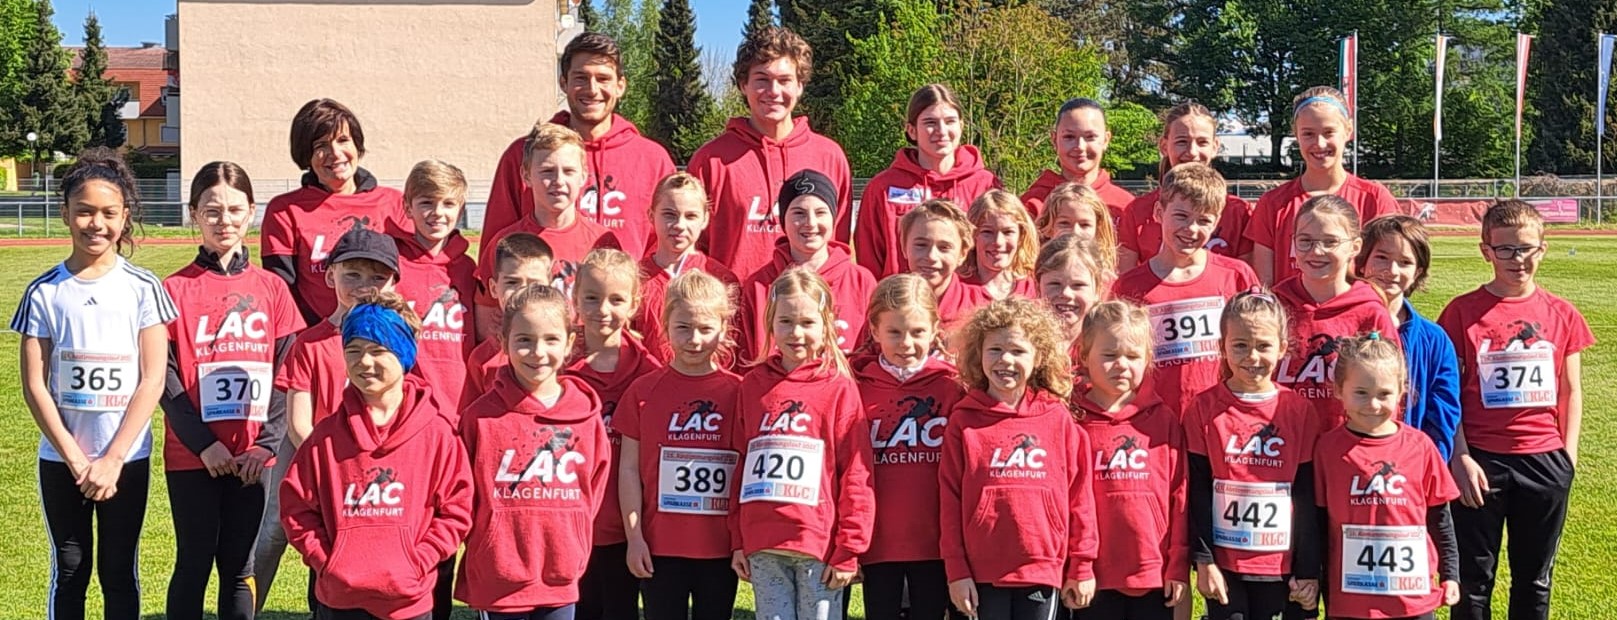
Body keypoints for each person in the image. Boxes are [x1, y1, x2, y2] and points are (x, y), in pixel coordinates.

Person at [15, 148, 176, 620]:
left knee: (118, 571)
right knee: (70, 569)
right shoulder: (44, 292)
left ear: (125, 217)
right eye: (84, 211)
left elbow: (152, 378)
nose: (96, 223)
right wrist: (76, 458)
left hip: (126, 458)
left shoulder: (143, 288)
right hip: (63, 460)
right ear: (65, 213)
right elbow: (35, 385)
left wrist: (112, 458)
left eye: (109, 213)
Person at [161, 162, 303, 620]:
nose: (225, 220)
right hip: (192, 456)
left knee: (240, 567)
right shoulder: (173, 290)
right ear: (194, 214)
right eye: (212, 211)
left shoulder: (272, 289)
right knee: (194, 562)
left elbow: (288, 373)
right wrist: (204, 445)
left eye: (235, 210)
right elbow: (164, 378)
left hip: (252, 458)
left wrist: (265, 446)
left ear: (251, 212)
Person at [1440, 200, 1592, 620]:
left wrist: (1568, 457)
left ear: (1542, 248)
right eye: (1505, 249)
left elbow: (1570, 390)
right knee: (1473, 580)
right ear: (1486, 251)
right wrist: (1460, 455)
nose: (1517, 259)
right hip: (1481, 461)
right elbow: (1448, 392)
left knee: (1535, 578)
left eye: (1526, 248)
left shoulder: (1563, 314)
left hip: (1544, 460)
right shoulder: (1461, 312)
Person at [279, 294, 473, 620]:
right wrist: (326, 560)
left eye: (378, 350)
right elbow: (296, 507)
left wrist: (419, 560)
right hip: (340, 599)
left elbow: (457, 509)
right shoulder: (325, 438)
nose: (365, 362)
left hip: (408, 601)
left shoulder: (437, 434)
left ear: (404, 352)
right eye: (353, 350)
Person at [258, 228, 400, 611]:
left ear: (394, 282)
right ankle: (243, 609)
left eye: (377, 276)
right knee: (274, 530)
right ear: (329, 275)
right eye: (352, 274)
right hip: (318, 459)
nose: (364, 285)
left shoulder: (397, 342)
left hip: (377, 466)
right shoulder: (310, 342)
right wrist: (330, 468)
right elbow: (298, 423)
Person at [457, 284, 612, 619]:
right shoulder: (480, 417)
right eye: (524, 340)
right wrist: (489, 544)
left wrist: (573, 541)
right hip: (499, 576)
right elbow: (465, 495)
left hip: (560, 574)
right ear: (504, 342)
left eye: (551, 339)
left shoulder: (586, 417)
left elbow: (593, 489)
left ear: (569, 343)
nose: (538, 352)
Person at [729, 267, 875, 620]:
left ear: (827, 326)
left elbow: (856, 473)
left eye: (807, 323)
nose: (796, 333)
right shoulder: (753, 385)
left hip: (817, 543)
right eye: (785, 322)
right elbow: (740, 464)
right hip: (764, 541)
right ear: (770, 323)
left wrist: (849, 546)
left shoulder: (838, 388)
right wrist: (738, 539)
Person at [940, 298, 1098, 620]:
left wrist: (1081, 564)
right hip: (981, 572)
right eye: (995, 350)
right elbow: (950, 500)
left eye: (1017, 351)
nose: (1006, 360)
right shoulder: (964, 421)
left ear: (1038, 357)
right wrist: (957, 571)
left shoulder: (1057, 419)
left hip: (1041, 568)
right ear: (979, 354)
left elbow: (1080, 496)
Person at [1182, 291, 1322, 620]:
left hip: (1281, 564)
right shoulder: (1203, 409)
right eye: (1240, 345)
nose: (1252, 356)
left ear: (1282, 348)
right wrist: (1205, 561)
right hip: (1226, 564)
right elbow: (1197, 491)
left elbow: (1306, 493)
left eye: (1263, 346)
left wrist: (1308, 569)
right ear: (1222, 346)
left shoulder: (1299, 411)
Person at [615, 270, 744, 620]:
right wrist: (634, 537)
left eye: (705, 329)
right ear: (666, 325)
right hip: (660, 546)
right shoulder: (643, 392)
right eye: (683, 327)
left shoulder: (739, 392)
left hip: (720, 548)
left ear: (724, 328)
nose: (694, 340)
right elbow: (628, 470)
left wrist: (741, 541)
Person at [482, 32, 677, 252]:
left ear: (620, 86)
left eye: (603, 79)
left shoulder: (653, 160)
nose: (592, 89)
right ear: (563, 83)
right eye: (581, 78)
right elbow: (495, 250)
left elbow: (667, 249)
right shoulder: (525, 153)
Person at [689, 26, 853, 284]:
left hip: (809, 307)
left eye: (784, 80)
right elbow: (692, 251)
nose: (773, 91)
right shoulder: (711, 160)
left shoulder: (829, 157)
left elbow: (837, 249)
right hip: (733, 305)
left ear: (800, 86)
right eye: (762, 80)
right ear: (743, 85)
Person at [1314, 334, 1460, 620]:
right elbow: (1318, 524)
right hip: (1351, 602)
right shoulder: (1327, 450)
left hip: (1412, 599)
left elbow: (1440, 518)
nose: (1373, 404)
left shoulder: (1421, 447)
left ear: (1401, 391)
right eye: (1361, 393)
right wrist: (1312, 576)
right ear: (1338, 390)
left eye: (1384, 394)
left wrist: (1450, 574)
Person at [855, 274, 967, 620]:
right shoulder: (858, 387)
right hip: (879, 540)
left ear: (934, 330)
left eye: (917, 332)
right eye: (894, 332)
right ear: (874, 330)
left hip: (934, 540)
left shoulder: (952, 387)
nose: (906, 343)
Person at [1071, 301, 1188, 619]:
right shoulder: (1072, 419)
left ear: (1148, 359)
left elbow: (1179, 496)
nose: (1121, 365)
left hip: (1151, 571)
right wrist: (1078, 566)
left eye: (1133, 356)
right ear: (1084, 355)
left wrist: (1177, 565)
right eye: (1109, 355)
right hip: (1092, 577)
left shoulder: (1162, 420)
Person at [1111, 163, 1259, 415]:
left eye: (1204, 220)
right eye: (1181, 216)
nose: (1191, 229)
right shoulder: (1129, 286)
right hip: (1153, 417)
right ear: (1159, 213)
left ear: (1216, 223)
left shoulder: (1237, 276)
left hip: (1220, 416)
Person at [566, 249, 665, 620]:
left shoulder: (650, 373)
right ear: (575, 298)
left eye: (616, 299)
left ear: (634, 303)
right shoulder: (558, 367)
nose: (603, 310)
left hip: (627, 527)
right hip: (572, 524)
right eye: (592, 297)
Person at [261, 98, 408, 326]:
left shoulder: (394, 203)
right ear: (306, 154)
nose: (335, 153)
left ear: (357, 145)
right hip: (317, 336)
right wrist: (318, 336)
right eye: (321, 145)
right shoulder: (285, 210)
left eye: (343, 140)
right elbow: (282, 292)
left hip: (382, 334)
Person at [1244, 87, 1397, 285]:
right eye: (1308, 133)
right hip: (1287, 306)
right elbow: (1264, 284)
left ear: (1348, 130)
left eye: (1329, 132)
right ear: (1296, 134)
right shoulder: (1273, 204)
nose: (1320, 143)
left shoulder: (1374, 199)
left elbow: (1389, 274)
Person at [476, 122, 622, 327]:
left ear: (583, 176)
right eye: (547, 171)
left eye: (568, 171)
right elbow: (486, 323)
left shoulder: (603, 242)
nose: (558, 180)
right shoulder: (505, 243)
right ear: (526, 176)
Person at [1271, 195, 1397, 431]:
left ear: (1355, 247)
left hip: (1346, 441)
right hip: (1281, 439)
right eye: (1305, 241)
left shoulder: (1370, 311)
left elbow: (1389, 387)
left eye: (1330, 242)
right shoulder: (1274, 305)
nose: (1316, 251)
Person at [853, 83, 1002, 278]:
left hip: (968, 296)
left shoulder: (986, 186)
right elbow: (868, 262)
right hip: (902, 296)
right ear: (911, 130)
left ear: (961, 126)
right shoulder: (883, 188)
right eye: (930, 122)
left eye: (950, 121)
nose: (941, 131)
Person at [736, 170, 876, 360]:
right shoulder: (759, 285)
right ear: (783, 219)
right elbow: (745, 359)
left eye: (820, 213)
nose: (810, 222)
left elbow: (874, 351)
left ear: (833, 218)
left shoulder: (861, 282)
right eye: (799, 213)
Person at [1356, 215, 1461, 459]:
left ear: (1417, 272)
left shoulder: (1434, 339)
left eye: (1405, 262)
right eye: (1382, 257)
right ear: (1362, 262)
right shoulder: (1344, 327)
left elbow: (1443, 412)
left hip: (1410, 462)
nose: (1391, 270)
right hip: (1349, 457)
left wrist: (1428, 464)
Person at [1116, 103, 1253, 272]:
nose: (1192, 152)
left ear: (1215, 147)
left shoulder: (1238, 212)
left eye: (1202, 142)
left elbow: (1245, 279)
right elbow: (1126, 279)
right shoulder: (1137, 211)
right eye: (1182, 142)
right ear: (1164, 146)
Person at [389, 160, 477, 421]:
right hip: (406, 404)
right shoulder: (392, 267)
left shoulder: (468, 270)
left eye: (448, 204)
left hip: (460, 403)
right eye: (427, 203)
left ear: (461, 210)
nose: (438, 213)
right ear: (408, 207)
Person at [635, 173, 738, 361]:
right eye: (669, 215)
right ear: (651, 215)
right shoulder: (635, 278)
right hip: (648, 378)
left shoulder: (720, 278)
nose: (679, 225)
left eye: (691, 216)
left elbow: (731, 348)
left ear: (705, 219)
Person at [462, 233, 554, 406]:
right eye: (512, 283)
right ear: (493, 288)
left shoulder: (559, 350)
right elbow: (471, 415)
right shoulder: (482, 358)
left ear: (550, 286)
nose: (523, 292)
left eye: (534, 284)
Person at [1021, 98, 1136, 221]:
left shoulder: (1126, 207)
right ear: (1054, 140)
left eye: (1090, 137)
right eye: (1069, 137)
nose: (1080, 146)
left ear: (1106, 140)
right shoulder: (1032, 205)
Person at [899, 199, 991, 328]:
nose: (931, 256)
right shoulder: (887, 304)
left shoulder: (982, 307)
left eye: (944, 247)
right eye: (921, 245)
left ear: (963, 254)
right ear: (904, 247)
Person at [1034, 234, 1110, 363]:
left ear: (1098, 289)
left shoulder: (1107, 345)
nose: (1066, 293)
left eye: (1078, 285)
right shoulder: (1025, 344)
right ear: (1038, 288)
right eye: (1055, 284)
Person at [964, 190, 1041, 300]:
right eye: (987, 232)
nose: (998, 242)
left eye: (1008, 232)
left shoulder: (1035, 287)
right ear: (972, 235)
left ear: (1021, 235)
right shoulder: (958, 288)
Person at [1035, 182, 1117, 255]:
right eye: (1064, 223)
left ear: (1098, 228)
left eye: (1085, 225)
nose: (1075, 232)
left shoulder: (1101, 268)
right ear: (1048, 228)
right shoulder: (1040, 266)